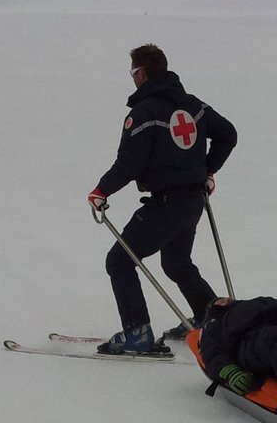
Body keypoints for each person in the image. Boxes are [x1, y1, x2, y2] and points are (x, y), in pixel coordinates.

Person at [88, 44, 237, 355]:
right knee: (177, 262)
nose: (133, 79)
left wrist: (101, 190)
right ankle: (210, 322)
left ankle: (138, 334)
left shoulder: (144, 113)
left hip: (168, 202)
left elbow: (130, 163)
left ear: (142, 73)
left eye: (133, 73)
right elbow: (228, 134)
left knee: (119, 261)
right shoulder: (193, 105)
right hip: (193, 199)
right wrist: (207, 171)